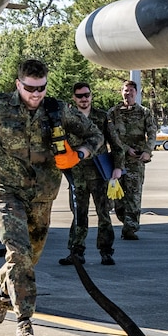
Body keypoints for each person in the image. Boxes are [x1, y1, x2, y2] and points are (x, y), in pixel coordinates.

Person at [0, 59, 105, 336]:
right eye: (30, 88)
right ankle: (24, 322)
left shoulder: (58, 110)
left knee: (27, 259)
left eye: (41, 88)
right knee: (18, 253)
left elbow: (95, 135)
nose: (36, 94)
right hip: (6, 192)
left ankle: (3, 292)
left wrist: (79, 154)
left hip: (43, 196)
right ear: (18, 84)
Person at [56, 81, 122, 267]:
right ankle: (76, 252)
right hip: (76, 173)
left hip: (99, 172)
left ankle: (106, 252)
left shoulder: (101, 117)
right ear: (74, 98)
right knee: (79, 213)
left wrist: (118, 167)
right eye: (79, 96)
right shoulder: (68, 118)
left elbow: (116, 144)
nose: (83, 99)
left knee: (104, 213)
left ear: (91, 96)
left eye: (86, 95)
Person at [107, 78, 158, 240]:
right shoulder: (113, 113)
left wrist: (148, 151)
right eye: (125, 90)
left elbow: (152, 132)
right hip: (117, 161)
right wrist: (124, 148)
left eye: (131, 91)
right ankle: (125, 219)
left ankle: (130, 228)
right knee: (118, 198)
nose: (128, 93)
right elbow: (110, 135)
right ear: (121, 92)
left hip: (136, 161)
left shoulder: (144, 112)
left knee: (134, 195)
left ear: (136, 93)